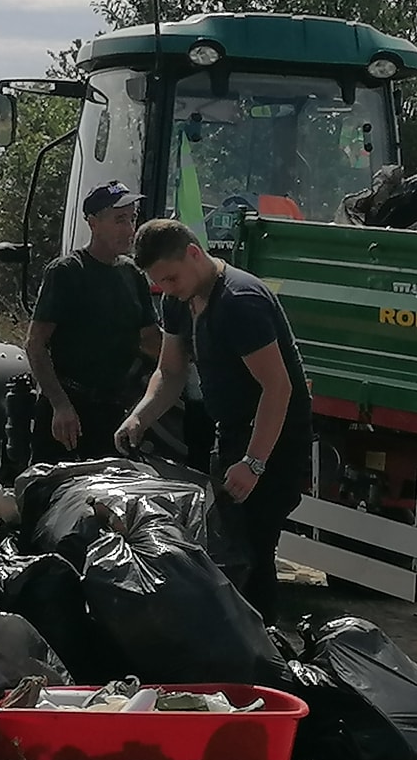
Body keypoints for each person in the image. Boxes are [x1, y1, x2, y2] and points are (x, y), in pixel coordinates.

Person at [116, 219, 312, 622]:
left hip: (274, 441)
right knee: (225, 548)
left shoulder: (240, 301)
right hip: (232, 433)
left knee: (253, 554)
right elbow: (170, 372)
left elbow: (279, 389)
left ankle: (262, 655)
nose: (167, 289)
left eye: (171, 278)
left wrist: (255, 462)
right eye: (160, 283)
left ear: (193, 253)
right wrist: (140, 417)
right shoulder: (177, 300)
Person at [24, 181, 161, 461]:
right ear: (93, 223)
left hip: (114, 411)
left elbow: (151, 340)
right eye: (119, 219)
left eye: (132, 218)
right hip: (69, 410)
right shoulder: (67, 272)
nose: (129, 229)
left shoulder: (133, 275)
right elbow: (35, 345)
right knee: (54, 494)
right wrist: (60, 405)